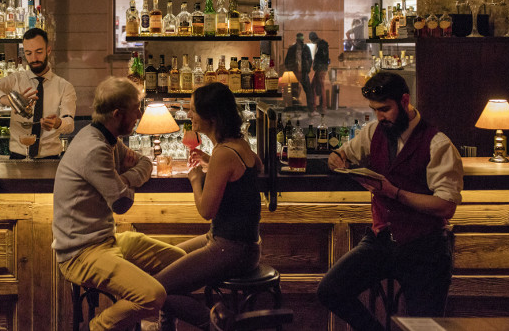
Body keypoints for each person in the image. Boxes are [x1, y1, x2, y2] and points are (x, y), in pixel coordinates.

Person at [317, 72, 463, 331]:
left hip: (425, 248)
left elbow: (446, 206)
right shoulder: (374, 131)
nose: (379, 117)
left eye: (385, 109)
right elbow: (344, 152)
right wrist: (336, 157)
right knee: (330, 290)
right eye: (375, 110)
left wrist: (394, 192)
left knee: (424, 328)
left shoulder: (438, 144)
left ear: (404, 100)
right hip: (381, 241)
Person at [52, 77, 185, 331]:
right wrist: (125, 181)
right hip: (81, 253)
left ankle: (165, 324)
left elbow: (144, 161)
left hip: (106, 240)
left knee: (180, 263)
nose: (139, 114)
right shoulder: (94, 148)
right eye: (136, 108)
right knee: (152, 295)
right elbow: (122, 202)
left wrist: (122, 179)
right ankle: (98, 327)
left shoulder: (108, 139)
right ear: (116, 114)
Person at [154, 82, 263, 330]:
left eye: (193, 110)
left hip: (232, 249)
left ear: (211, 117)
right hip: (235, 244)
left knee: (155, 289)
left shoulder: (224, 152)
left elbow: (206, 211)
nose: (189, 115)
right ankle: (167, 325)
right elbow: (257, 166)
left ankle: (216, 325)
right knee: (161, 262)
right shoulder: (237, 144)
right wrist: (211, 161)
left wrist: (195, 179)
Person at [0, 27, 76, 159]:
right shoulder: (16, 79)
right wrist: (10, 100)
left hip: (49, 158)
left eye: (39, 52)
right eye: (29, 53)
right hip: (17, 157)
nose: (34, 58)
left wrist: (58, 123)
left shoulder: (64, 86)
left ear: (48, 50)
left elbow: (69, 124)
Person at [283, 32, 314, 112]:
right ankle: (296, 107)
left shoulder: (305, 48)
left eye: (301, 39)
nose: (301, 41)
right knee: (295, 90)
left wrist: (307, 69)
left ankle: (310, 108)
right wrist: (290, 69)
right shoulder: (293, 48)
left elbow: (310, 60)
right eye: (300, 39)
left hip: (303, 72)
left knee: (307, 90)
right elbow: (287, 61)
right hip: (295, 71)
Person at [309, 31, 330, 113]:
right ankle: (317, 106)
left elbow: (321, 58)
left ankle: (322, 107)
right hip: (321, 68)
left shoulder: (321, 45)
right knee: (314, 86)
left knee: (320, 87)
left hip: (320, 68)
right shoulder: (322, 44)